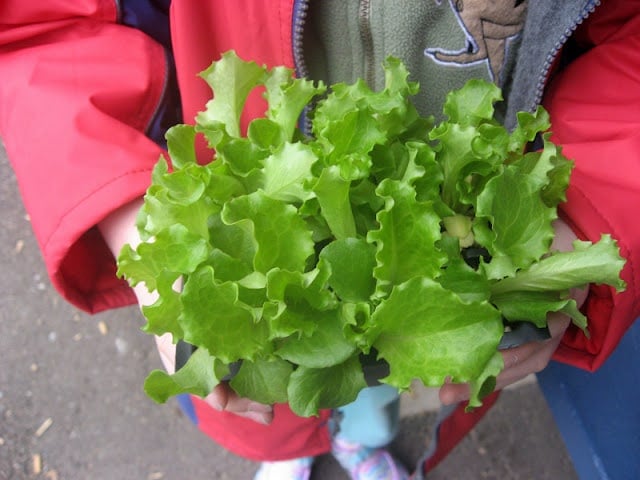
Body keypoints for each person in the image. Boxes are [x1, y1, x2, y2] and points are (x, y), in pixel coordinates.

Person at [1, 1, 639, 479]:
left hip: (448, 260)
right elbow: (46, 30)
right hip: (246, 245)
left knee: (389, 382)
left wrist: (580, 221)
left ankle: (365, 436)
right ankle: (294, 455)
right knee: (275, 397)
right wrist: (132, 219)